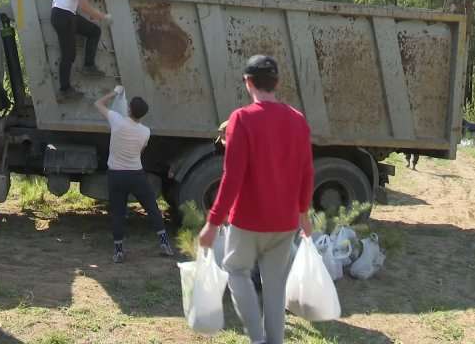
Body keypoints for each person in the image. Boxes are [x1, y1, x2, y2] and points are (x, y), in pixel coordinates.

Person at [198, 55, 314, 344]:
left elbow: (232, 177)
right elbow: (307, 172)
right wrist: (303, 214)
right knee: (274, 288)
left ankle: (257, 339)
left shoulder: (242, 118)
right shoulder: (297, 120)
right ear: (276, 83)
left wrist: (213, 223)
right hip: (285, 223)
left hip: (248, 221)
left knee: (236, 272)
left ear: (248, 82)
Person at [94, 87, 174, 263]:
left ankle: (118, 251)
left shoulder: (117, 120)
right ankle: (165, 244)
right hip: (136, 175)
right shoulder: (145, 132)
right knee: (152, 208)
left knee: (118, 213)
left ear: (129, 109)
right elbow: (141, 150)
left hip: (116, 175)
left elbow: (98, 103)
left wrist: (115, 93)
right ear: (142, 115)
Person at [51, 0, 111, 101]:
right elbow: (84, 6)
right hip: (64, 16)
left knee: (94, 31)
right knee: (69, 54)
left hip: (65, 13)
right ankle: (65, 90)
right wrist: (102, 16)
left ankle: (88, 66)